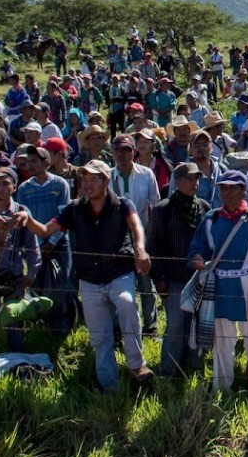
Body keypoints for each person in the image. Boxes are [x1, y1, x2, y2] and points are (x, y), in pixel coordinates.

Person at [16, 160, 154, 390]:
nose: (87, 185)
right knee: (100, 337)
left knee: (127, 304)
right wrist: (28, 220)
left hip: (118, 273)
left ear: (105, 181)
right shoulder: (74, 208)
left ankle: (136, 364)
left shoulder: (122, 204)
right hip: (89, 278)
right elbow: (45, 231)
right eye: (84, 180)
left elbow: (136, 225)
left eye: (93, 179)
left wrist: (140, 248)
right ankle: (110, 388)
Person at [188, 170, 248, 398]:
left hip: (247, 282)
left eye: (232, 188)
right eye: (223, 188)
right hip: (218, 284)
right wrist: (198, 258)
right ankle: (222, 388)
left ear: (243, 190)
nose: (226, 192)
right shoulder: (212, 219)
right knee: (222, 340)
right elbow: (198, 247)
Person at [147, 163, 209, 377]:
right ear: (178, 181)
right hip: (172, 277)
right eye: (190, 179)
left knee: (196, 324)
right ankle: (167, 371)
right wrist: (159, 278)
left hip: (199, 278)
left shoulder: (203, 206)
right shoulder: (162, 209)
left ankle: (193, 367)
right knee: (174, 326)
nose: (195, 183)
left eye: (197, 179)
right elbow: (154, 246)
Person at [16, 145, 74, 336]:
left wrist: (52, 241)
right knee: (37, 286)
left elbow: (64, 216)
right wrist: (36, 245)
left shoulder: (59, 184)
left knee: (61, 286)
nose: (30, 165)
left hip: (59, 243)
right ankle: (43, 324)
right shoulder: (24, 189)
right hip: (35, 246)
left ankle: (63, 325)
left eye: (34, 160)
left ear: (46, 162)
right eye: (27, 161)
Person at [109, 134, 161, 335]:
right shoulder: (107, 176)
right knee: (117, 284)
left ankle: (150, 325)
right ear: (112, 153)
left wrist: (153, 236)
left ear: (134, 151)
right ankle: (120, 326)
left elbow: (155, 205)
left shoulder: (146, 174)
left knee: (146, 282)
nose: (122, 154)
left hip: (143, 235)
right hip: (116, 238)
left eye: (127, 150)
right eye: (118, 150)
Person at [0, 167, 41, 352]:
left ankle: (16, 360)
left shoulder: (21, 211)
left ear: (14, 187)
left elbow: (32, 247)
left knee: (14, 321)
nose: (0, 188)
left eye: (5, 184)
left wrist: (30, 274)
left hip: (12, 274)